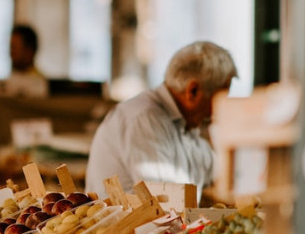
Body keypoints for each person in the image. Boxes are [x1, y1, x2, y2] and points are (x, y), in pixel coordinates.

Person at [85, 41, 237, 193]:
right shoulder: (145, 119)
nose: (218, 110)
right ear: (193, 91)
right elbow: (168, 200)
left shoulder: (184, 125)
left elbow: (217, 169)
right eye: (220, 98)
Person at [0, 24, 48, 99]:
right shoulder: (7, 82)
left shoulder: (40, 85)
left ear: (29, 51)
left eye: (14, 48)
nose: (11, 53)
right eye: (10, 48)